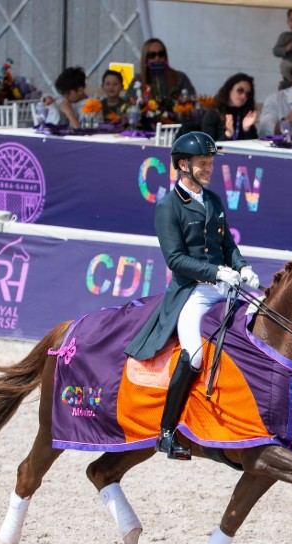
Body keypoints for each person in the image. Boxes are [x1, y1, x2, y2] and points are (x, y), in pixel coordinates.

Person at [124, 132, 260, 461]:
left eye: (210, 163)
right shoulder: (168, 207)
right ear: (183, 165)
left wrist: (241, 266)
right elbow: (175, 259)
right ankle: (167, 432)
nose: (208, 169)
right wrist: (215, 272)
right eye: (202, 164)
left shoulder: (212, 200)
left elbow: (227, 245)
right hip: (193, 293)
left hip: (225, 288)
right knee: (195, 355)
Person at [201, 73, 258, 142]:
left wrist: (247, 130)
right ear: (229, 89)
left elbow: (254, 145)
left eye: (247, 94)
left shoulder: (246, 114)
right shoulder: (213, 113)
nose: (243, 96)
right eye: (240, 91)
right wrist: (228, 134)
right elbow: (208, 146)